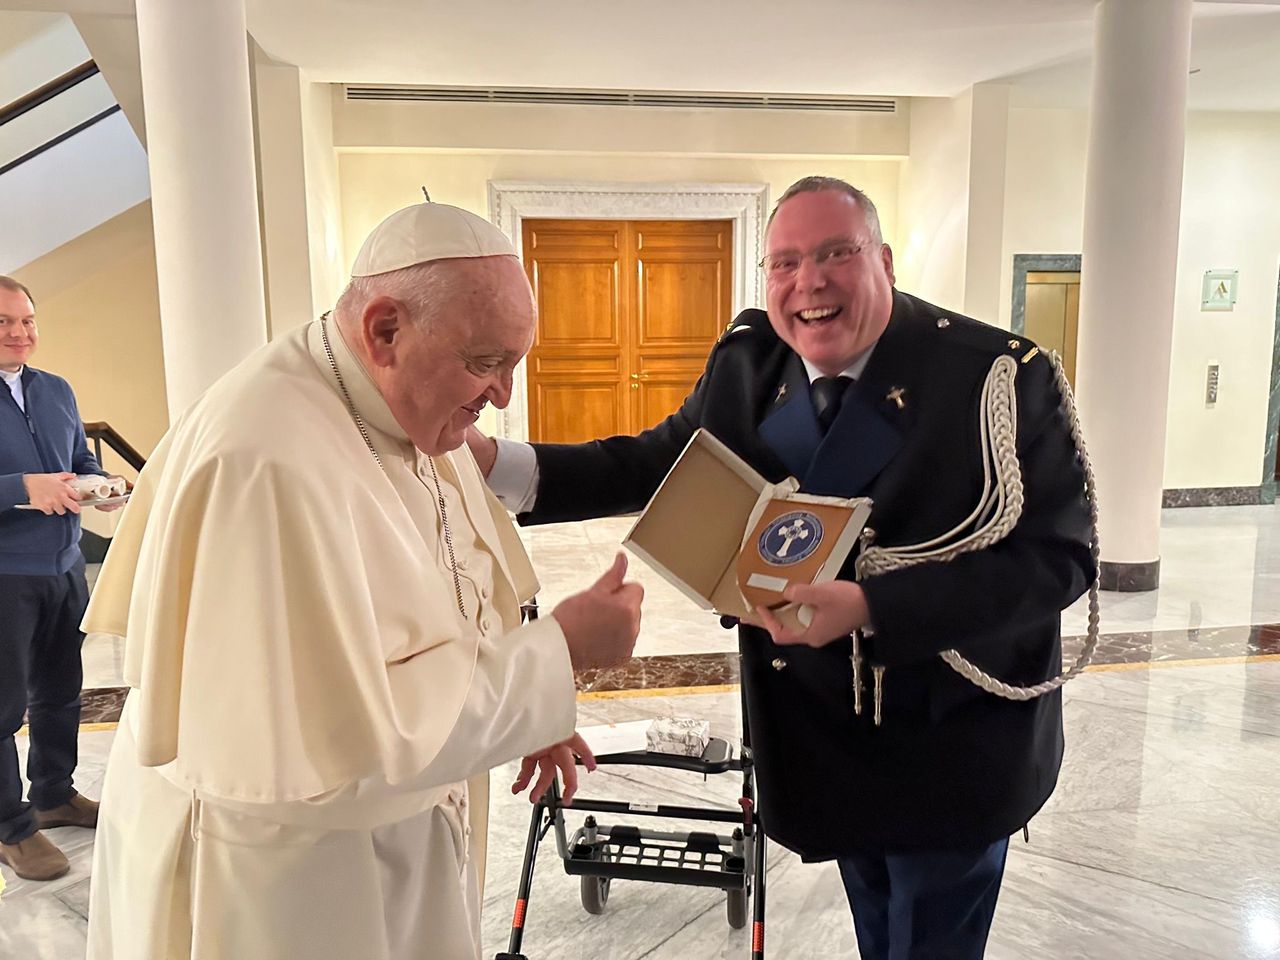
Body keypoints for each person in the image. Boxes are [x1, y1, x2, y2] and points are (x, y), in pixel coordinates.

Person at [470, 177, 1096, 959]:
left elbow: (1058, 561)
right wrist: (490, 463)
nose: (811, 282)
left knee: (931, 939)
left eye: (838, 253)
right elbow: (656, 463)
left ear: (886, 261)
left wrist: (873, 606)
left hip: (952, 745)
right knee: (878, 922)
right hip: (819, 737)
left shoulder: (994, 377)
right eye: (786, 262)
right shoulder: (750, 364)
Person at [82, 203, 643, 960]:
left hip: (396, 834)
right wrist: (557, 658)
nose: (504, 396)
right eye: (486, 363)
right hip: (288, 878)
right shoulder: (267, 460)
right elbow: (342, 742)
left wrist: (530, 705)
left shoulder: (396, 401)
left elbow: (456, 571)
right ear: (385, 330)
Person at [0, 276, 120, 882]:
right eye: (4, 322)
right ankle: (11, 828)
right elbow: (31, 483)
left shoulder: (55, 389)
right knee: (2, 707)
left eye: (28, 321)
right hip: (4, 575)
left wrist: (98, 487)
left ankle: (53, 794)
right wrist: (21, 488)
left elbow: (80, 460)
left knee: (60, 692)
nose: (21, 333)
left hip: (64, 565)